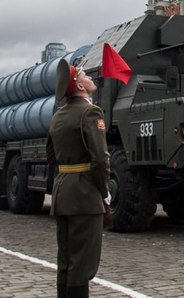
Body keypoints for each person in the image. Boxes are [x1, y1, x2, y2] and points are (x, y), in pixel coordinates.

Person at [47, 61, 110, 298]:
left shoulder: (58, 116)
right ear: (80, 86)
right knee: (82, 264)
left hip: (62, 194)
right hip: (84, 197)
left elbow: (51, 158)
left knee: (65, 262)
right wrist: (104, 193)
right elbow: (100, 160)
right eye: (85, 75)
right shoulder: (90, 112)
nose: (91, 78)